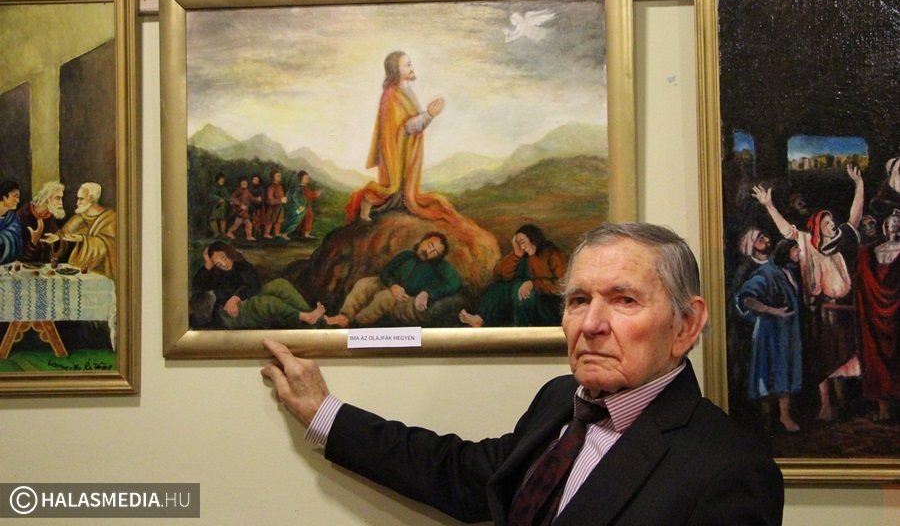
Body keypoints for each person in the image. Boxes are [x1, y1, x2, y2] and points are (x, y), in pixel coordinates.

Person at [261, 222, 784, 525]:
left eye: (624, 300)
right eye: (577, 300)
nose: (591, 324)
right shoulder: (562, 400)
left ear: (686, 324)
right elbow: (459, 472)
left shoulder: (730, 472)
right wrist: (324, 413)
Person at [753, 165, 864, 421]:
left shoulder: (842, 242)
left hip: (842, 311)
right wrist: (769, 205)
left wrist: (859, 185)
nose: (832, 225)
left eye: (832, 222)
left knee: (846, 357)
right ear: (817, 227)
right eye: (827, 223)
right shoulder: (807, 244)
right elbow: (786, 230)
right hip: (819, 311)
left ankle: (842, 405)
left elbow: (855, 217)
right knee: (822, 359)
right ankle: (826, 405)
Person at [345, 51, 460, 224]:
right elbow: (405, 127)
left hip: (406, 150)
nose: (412, 68)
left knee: (404, 193)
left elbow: (412, 121)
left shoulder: (405, 91)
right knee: (392, 187)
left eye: (410, 63)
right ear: (395, 70)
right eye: (407, 65)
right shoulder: (391, 95)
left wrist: (428, 115)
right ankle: (367, 200)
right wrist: (429, 114)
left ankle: (392, 207)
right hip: (395, 152)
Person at [735, 238, 803, 432]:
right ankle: (767, 421)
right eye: (796, 248)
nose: (799, 251)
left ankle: (784, 417)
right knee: (769, 373)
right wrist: (773, 311)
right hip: (770, 332)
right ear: (786, 251)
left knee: (786, 371)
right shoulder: (766, 273)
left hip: (788, 332)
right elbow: (745, 298)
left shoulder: (789, 271)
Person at [324, 232, 462, 327]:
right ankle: (344, 317)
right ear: (422, 241)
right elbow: (385, 272)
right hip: (392, 287)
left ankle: (354, 325)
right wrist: (393, 285)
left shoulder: (440, 266)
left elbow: (455, 283)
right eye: (430, 245)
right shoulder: (406, 255)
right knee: (364, 284)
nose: (429, 252)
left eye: (435, 252)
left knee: (384, 298)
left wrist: (427, 292)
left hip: (409, 298)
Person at [190, 241, 325, 329]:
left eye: (224, 258)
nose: (224, 264)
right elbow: (198, 285)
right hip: (229, 314)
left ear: (229, 253)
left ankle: (313, 315)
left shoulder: (242, 265)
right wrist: (208, 265)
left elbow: (255, 285)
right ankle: (305, 317)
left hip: (242, 301)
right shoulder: (216, 274)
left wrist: (236, 297)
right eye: (218, 263)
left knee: (280, 284)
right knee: (267, 302)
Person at [459, 224, 567, 327]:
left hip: (548, 303)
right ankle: (480, 319)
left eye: (522, 242)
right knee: (499, 288)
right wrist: (516, 254)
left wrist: (533, 284)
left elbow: (563, 285)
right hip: (523, 296)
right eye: (519, 244)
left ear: (533, 239)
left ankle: (523, 329)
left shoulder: (553, 254)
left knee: (521, 291)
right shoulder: (524, 256)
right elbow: (500, 273)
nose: (522, 247)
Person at [855, 210, 900, 422]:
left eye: (898, 221)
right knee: (876, 354)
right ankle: (883, 408)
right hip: (875, 312)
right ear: (885, 226)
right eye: (891, 221)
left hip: (898, 315)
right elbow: (863, 282)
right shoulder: (870, 253)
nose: (895, 224)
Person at [42, 182, 117, 279]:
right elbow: (65, 232)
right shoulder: (80, 217)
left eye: (81, 199)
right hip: (80, 269)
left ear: (91, 198)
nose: (78, 203)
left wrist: (82, 239)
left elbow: (108, 245)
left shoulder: (110, 218)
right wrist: (57, 237)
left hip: (101, 271)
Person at [16, 180, 65, 263]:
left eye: (61, 198)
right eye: (58, 198)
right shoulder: (23, 214)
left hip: (45, 265)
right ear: (46, 198)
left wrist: (57, 237)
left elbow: (58, 233)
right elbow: (18, 254)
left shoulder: (50, 215)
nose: (61, 203)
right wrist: (34, 240)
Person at [283, 170, 322, 239]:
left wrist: (315, 194)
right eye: (306, 178)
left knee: (309, 217)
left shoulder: (306, 188)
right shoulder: (298, 188)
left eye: (308, 178)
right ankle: (285, 233)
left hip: (306, 206)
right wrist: (315, 194)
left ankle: (306, 233)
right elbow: (296, 197)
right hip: (300, 207)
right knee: (295, 219)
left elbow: (308, 196)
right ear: (301, 179)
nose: (307, 179)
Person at [226, 177, 260, 241]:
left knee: (248, 224)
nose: (244, 184)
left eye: (245, 183)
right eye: (243, 183)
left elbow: (251, 197)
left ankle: (249, 236)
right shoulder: (238, 190)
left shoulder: (247, 191)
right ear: (240, 184)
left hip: (245, 211)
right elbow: (233, 198)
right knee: (237, 224)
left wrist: (257, 199)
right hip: (240, 210)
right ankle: (229, 233)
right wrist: (240, 204)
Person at [0, 180, 23, 264]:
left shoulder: (13, 218)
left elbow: (17, 241)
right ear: (4, 197)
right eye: (15, 196)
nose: (18, 201)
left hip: (8, 265)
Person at [263, 169, 288, 240]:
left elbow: (282, 196)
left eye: (280, 176)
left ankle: (277, 233)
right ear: (273, 177)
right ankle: (266, 234)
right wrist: (280, 200)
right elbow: (270, 200)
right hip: (273, 207)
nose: (280, 177)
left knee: (279, 220)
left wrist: (284, 199)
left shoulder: (279, 186)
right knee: (270, 220)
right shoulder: (271, 187)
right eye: (278, 176)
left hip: (279, 206)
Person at [207, 172, 229, 237]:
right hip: (216, 205)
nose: (222, 180)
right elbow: (211, 195)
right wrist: (218, 199)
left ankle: (223, 233)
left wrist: (229, 200)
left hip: (222, 206)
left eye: (223, 179)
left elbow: (227, 197)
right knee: (212, 219)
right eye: (221, 179)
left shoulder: (224, 188)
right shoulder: (215, 187)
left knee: (222, 218)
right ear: (217, 180)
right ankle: (216, 232)